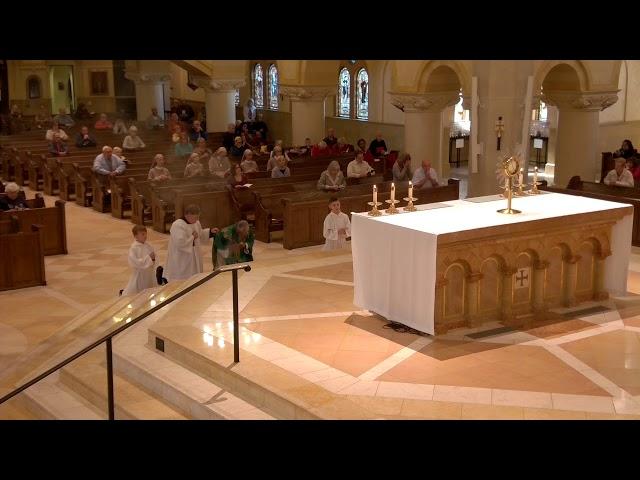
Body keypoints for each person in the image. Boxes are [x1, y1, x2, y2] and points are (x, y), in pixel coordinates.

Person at [164, 204, 218, 282]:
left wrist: (210, 232)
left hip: (195, 256)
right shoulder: (178, 225)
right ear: (188, 215)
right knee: (182, 281)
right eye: (196, 217)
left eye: (198, 217)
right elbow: (180, 242)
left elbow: (200, 234)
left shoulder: (196, 223)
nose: (197, 219)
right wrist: (192, 237)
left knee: (195, 278)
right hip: (182, 258)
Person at [121, 225, 157, 296]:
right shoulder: (134, 248)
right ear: (136, 236)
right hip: (140, 274)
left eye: (146, 233)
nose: (145, 236)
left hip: (149, 273)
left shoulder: (148, 245)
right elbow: (135, 262)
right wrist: (149, 258)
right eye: (143, 234)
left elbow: (153, 257)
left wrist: (153, 259)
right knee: (139, 291)